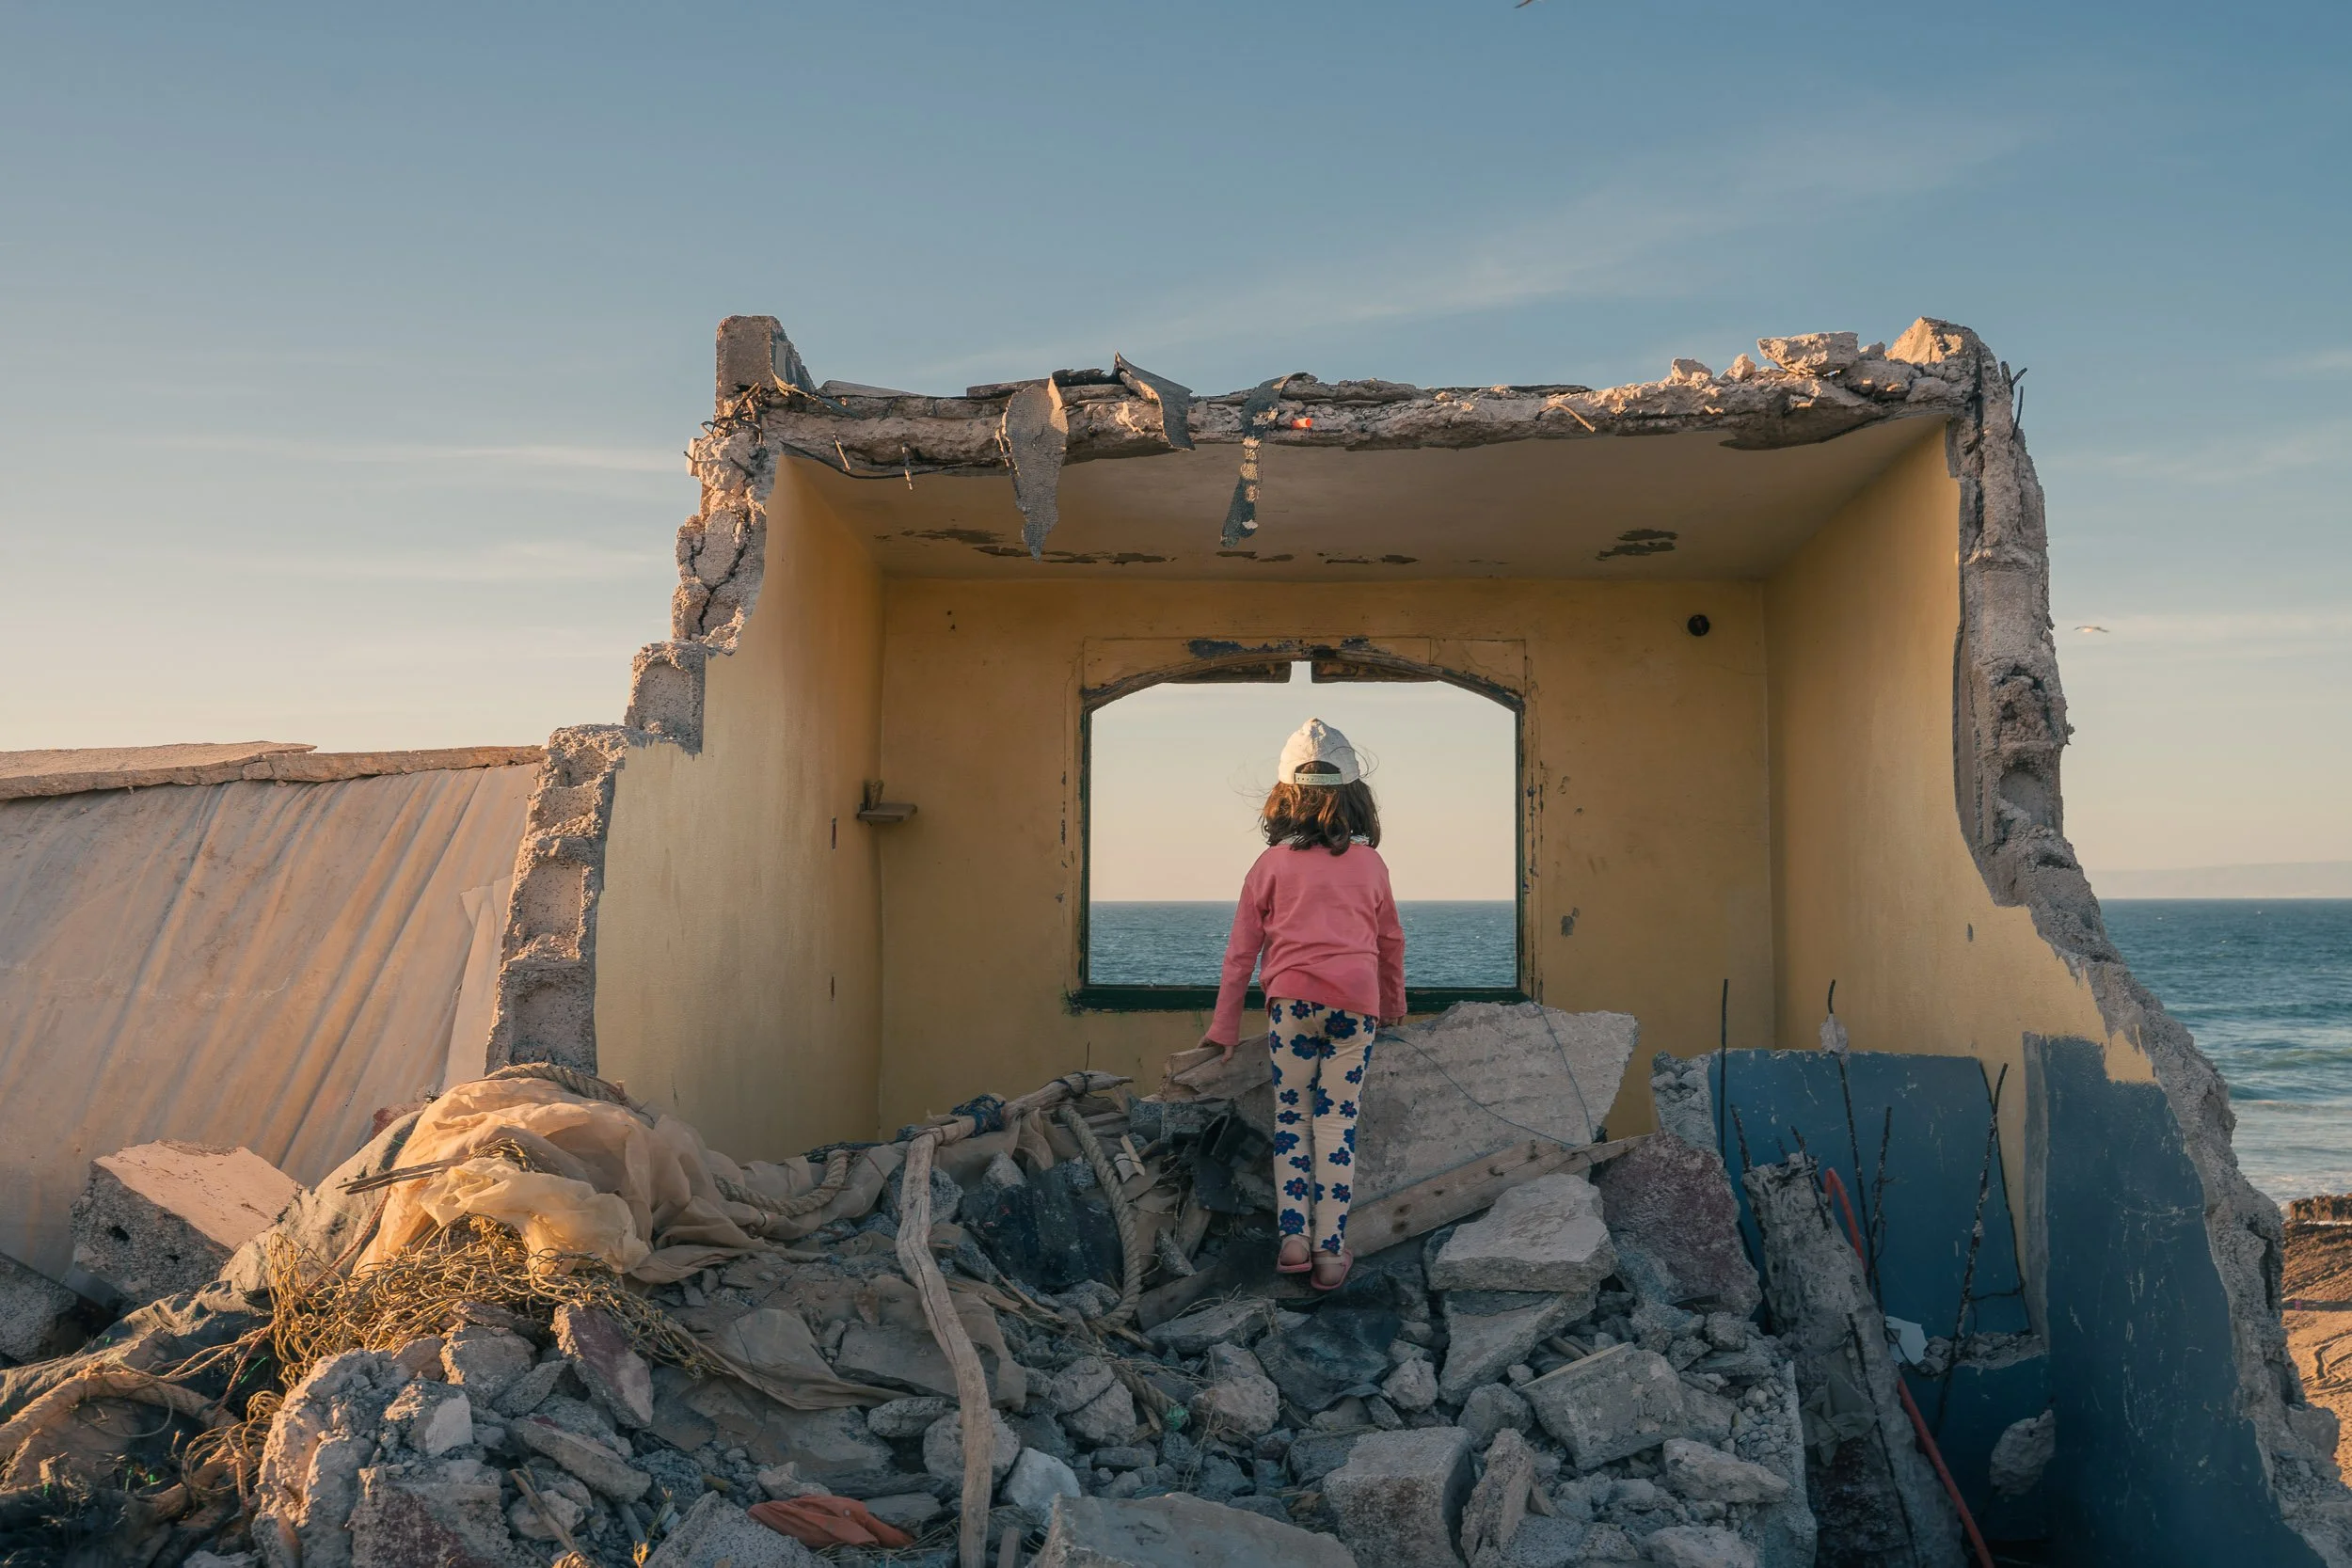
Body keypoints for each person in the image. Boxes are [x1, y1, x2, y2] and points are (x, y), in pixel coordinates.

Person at [1201, 718, 1406, 1291]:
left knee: (1291, 1120)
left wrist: (1224, 1026)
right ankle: (1329, 1252)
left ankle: (1292, 1238)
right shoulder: (1371, 865)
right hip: (1355, 1009)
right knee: (1336, 1124)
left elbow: (1240, 954)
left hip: (1289, 1006)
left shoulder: (1269, 865)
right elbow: (1390, 942)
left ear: (1282, 798)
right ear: (1356, 798)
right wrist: (1392, 1004)